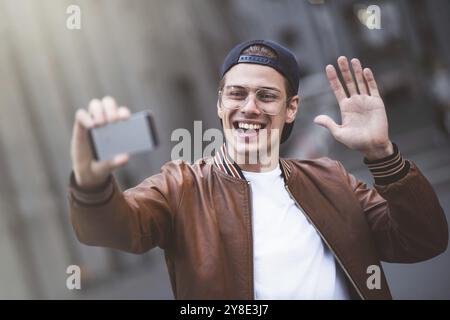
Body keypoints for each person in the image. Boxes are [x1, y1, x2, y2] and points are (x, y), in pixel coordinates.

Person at [68, 39, 448, 300]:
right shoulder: (181, 186)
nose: (249, 107)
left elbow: (424, 239)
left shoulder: (331, 179)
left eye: (266, 96)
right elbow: (113, 227)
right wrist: (91, 181)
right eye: (236, 93)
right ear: (220, 104)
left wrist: (382, 154)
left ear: (291, 109)